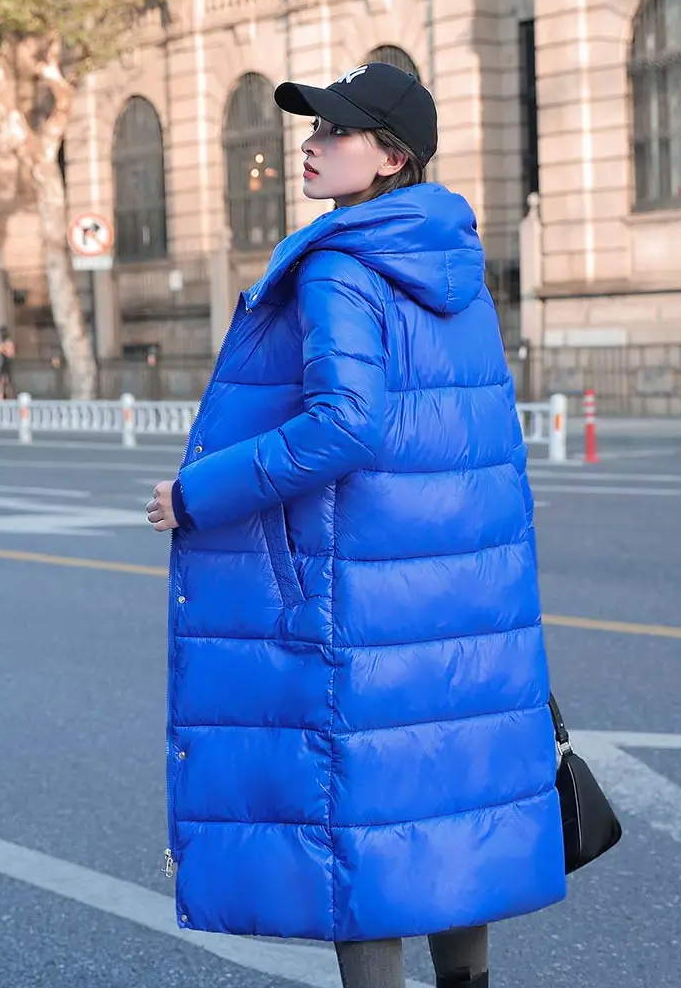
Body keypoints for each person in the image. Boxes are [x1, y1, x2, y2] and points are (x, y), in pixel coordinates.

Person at [146, 62, 565, 988]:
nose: (310, 143)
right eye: (314, 128)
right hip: (458, 587)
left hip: (361, 584)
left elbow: (347, 423)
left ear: (389, 156)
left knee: (358, 831)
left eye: (334, 132)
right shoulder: (452, 262)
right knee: (449, 810)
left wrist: (196, 492)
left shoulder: (341, 263)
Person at [0, 326, 15, 400]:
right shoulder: (8, 342)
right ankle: (10, 399)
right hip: (6, 366)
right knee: (6, 386)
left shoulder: (6, 343)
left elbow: (7, 353)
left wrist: (2, 350)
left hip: (5, 366)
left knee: (0, 385)